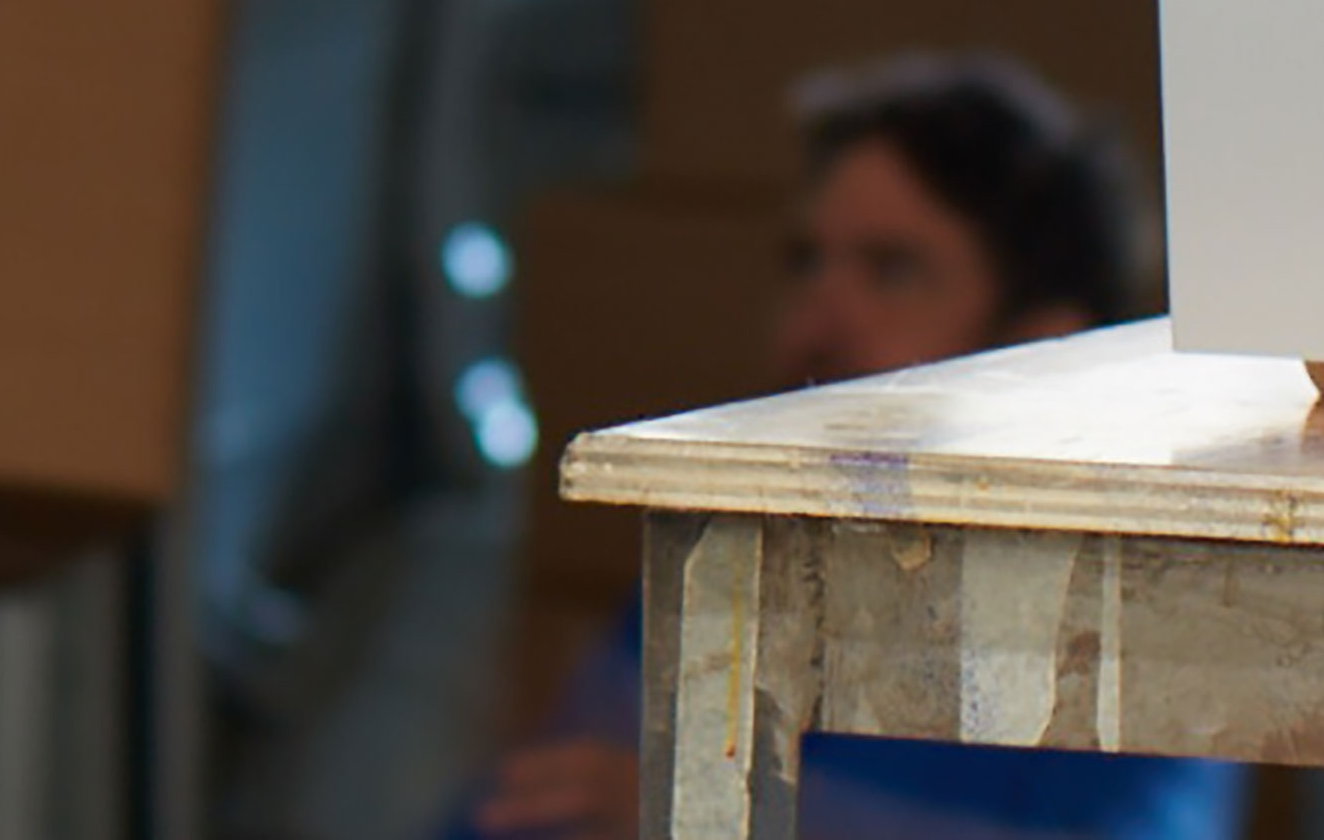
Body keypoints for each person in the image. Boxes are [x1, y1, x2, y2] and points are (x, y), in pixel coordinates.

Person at [460, 53, 1246, 840]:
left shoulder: (1144, 633)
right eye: (806, 261)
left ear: (1043, 346)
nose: (818, 317)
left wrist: (722, 816)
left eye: (893, 268)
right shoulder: (723, 575)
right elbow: (525, 813)